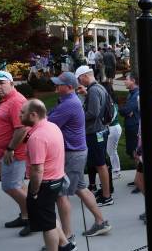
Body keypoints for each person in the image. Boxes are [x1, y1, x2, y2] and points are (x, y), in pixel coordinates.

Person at [48, 72, 112, 241]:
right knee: (80, 188)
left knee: (61, 195)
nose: (56, 86)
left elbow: (47, 123)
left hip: (72, 154)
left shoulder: (69, 104)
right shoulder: (68, 101)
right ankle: (101, 221)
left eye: (59, 84)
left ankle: (67, 237)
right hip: (75, 153)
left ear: (69, 87)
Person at [21, 99, 76, 251]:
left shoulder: (37, 137)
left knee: (47, 225)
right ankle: (65, 245)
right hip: (56, 179)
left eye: (22, 113)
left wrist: (34, 191)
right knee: (50, 217)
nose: (20, 115)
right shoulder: (52, 127)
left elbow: (37, 170)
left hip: (45, 184)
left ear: (33, 115)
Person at [0, 71, 30, 236]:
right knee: (18, 185)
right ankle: (26, 216)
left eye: (1, 83)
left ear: (12, 84)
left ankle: (35, 216)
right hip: (8, 152)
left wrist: (10, 148)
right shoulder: (6, 100)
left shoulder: (16, 101)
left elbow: (21, 129)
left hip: (14, 154)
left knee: (10, 186)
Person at [75, 65, 113, 206]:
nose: (79, 83)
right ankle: (105, 192)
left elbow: (93, 113)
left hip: (95, 132)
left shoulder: (94, 91)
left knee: (100, 164)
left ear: (85, 76)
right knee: (100, 163)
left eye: (79, 79)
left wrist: (77, 117)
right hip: (100, 130)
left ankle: (107, 196)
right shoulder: (98, 87)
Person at [119, 73, 140, 172]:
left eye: (126, 79)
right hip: (131, 126)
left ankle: (141, 180)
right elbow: (124, 110)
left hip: (135, 127)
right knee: (133, 153)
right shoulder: (131, 94)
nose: (124, 81)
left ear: (133, 81)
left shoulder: (137, 94)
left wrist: (126, 110)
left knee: (136, 153)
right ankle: (138, 179)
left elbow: (127, 110)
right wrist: (125, 110)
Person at [106, 86, 122, 179]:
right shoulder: (111, 103)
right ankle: (115, 170)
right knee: (110, 151)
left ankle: (116, 171)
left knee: (112, 151)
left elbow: (110, 119)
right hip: (112, 128)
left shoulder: (112, 104)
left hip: (113, 128)